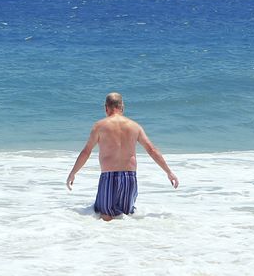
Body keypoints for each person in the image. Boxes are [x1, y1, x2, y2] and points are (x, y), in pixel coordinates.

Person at [66, 92, 179, 221]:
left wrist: (73, 173)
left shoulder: (100, 126)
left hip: (109, 178)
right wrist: (169, 172)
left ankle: (106, 240)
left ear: (106, 107)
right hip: (130, 179)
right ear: (122, 107)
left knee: (106, 217)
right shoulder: (135, 126)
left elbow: (86, 152)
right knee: (125, 217)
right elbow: (152, 150)